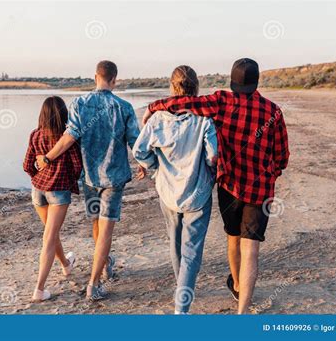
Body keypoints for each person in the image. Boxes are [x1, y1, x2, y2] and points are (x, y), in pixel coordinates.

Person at [143, 58, 290, 314]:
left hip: (230, 187)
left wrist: (153, 107)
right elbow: (282, 157)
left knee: (233, 240)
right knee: (251, 251)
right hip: (260, 191)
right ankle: (243, 310)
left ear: (232, 81)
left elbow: (184, 102)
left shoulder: (222, 101)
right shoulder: (273, 111)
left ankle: (235, 284)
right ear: (257, 81)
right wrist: (270, 174)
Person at [36, 60, 146, 301]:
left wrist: (47, 158)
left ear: (95, 77)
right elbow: (135, 142)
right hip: (114, 178)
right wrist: (143, 163)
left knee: (96, 223)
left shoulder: (80, 103)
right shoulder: (124, 107)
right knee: (105, 229)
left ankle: (104, 265)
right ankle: (94, 283)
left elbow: (69, 137)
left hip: (89, 177)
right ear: (114, 80)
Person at [133, 66, 217, 314]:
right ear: (196, 87)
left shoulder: (158, 119)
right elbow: (213, 156)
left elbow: (139, 151)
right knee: (191, 250)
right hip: (197, 192)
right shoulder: (204, 120)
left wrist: (155, 167)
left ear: (172, 86)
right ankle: (182, 306)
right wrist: (210, 174)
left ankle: (182, 287)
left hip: (168, 191)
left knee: (175, 241)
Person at [23, 96, 82, 302]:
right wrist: (66, 181)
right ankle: (39, 289)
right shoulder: (67, 138)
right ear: (64, 113)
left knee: (51, 232)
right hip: (57, 191)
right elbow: (77, 166)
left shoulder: (35, 135)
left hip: (37, 190)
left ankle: (66, 265)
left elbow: (27, 165)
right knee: (49, 237)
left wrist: (39, 177)